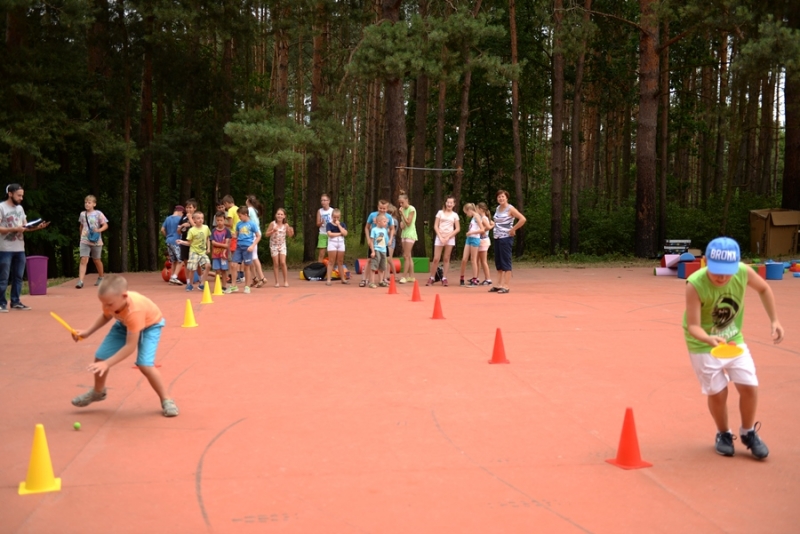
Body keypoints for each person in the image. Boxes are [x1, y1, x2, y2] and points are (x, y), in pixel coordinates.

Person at [684, 237, 784, 459]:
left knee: (749, 385)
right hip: (702, 344)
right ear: (705, 261)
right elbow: (693, 326)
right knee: (718, 392)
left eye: (727, 272)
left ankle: (748, 433)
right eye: (716, 271)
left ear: (736, 265)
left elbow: (764, 288)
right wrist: (709, 339)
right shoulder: (695, 284)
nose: (722, 277)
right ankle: (723, 434)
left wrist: (774, 320)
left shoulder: (743, 272)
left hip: (732, 339)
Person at [70, 274, 179, 417]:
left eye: (109, 304)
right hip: (124, 324)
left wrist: (107, 364)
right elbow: (106, 315)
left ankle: (166, 399)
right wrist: (87, 332)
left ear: (124, 296)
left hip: (150, 326)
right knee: (100, 356)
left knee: (145, 365)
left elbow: (130, 347)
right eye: (103, 304)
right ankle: (98, 392)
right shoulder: (111, 301)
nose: (106, 307)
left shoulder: (134, 311)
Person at [0, 183, 50, 312]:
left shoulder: (20, 209)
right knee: (4, 277)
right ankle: (1, 303)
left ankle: (16, 301)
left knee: (18, 277)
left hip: (19, 248)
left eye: (22, 196)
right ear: (10, 194)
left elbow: (24, 227)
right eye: (19, 195)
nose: (21, 198)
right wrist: (14, 229)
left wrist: (36, 227)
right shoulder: (1, 207)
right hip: (5, 249)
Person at [491, 190, 526, 294]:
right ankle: (498, 284)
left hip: (506, 238)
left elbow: (522, 219)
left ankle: (506, 286)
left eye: (502, 196)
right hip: (497, 237)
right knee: (498, 262)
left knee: (505, 261)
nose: (501, 198)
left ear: (506, 198)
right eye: (499, 197)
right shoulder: (498, 208)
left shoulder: (510, 209)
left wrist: (513, 229)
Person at [426, 196, 460, 287]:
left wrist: (448, 237)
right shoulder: (440, 213)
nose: (449, 204)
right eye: (448, 202)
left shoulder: (455, 215)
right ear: (445, 203)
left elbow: (457, 228)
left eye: (451, 203)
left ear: (454, 204)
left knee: (446, 258)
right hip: (440, 237)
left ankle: (444, 278)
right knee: (436, 258)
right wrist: (440, 237)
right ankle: (432, 277)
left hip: (450, 238)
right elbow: (435, 226)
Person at [76, 195, 109, 289]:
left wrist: (99, 230)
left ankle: (101, 277)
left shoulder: (98, 213)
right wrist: (81, 236)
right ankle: (80, 281)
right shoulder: (82, 214)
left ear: (94, 204)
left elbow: (105, 225)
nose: (87, 204)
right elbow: (81, 226)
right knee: (83, 259)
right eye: (86, 202)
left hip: (96, 240)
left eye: (89, 202)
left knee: (96, 260)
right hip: (84, 240)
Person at [360, 200, 395, 287]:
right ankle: (364, 279)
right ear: (377, 207)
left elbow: (392, 229)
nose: (382, 210)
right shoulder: (372, 215)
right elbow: (367, 227)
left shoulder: (389, 217)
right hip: (374, 243)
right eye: (380, 208)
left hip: (383, 243)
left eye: (384, 208)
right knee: (369, 260)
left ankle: (382, 280)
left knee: (383, 260)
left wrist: (390, 239)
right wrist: (368, 239)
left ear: (387, 208)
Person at [177, 211, 211, 292]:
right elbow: (189, 243)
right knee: (192, 269)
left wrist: (208, 248)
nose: (200, 220)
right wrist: (182, 242)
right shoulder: (191, 230)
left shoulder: (206, 228)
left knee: (208, 265)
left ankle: (202, 284)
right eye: (198, 218)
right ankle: (190, 284)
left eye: (202, 218)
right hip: (194, 252)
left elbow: (207, 238)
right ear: (194, 220)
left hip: (202, 252)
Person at [234, 206, 261, 294]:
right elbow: (236, 235)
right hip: (239, 246)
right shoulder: (239, 224)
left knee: (247, 267)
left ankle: (247, 286)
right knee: (234, 265)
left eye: (240, 216)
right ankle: (233, 286)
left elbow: (258, 236)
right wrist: (233, 235)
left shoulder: (252, 224)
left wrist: (252, 246)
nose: (239, 217)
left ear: (245, 214)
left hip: (248, 247)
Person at [265, 208, 293, 287]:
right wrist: (272, 231)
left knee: (283, 262)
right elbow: (266, 234)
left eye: (281, 214)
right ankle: (277, 282)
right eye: (278, 214)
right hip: (273, 245)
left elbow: (290, 235)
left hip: (282, 245)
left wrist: (291, 231)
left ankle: (285, 281)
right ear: (275, 215)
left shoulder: (286, 225)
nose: (279, 216)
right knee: (276, 263)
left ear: (284, 216)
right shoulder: (272, 224)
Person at [458, 203, 482, 287]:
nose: (466, 214)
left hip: (475, 239)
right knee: (464, 259)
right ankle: (461, 277)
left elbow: (482, 229)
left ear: (469, 210)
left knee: (473, 259)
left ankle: (475, 279)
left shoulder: (477, 217)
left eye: (466, 212)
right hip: (469, 239)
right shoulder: (473, 218)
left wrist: (472, 232)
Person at [246, 195, 267, 288]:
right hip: (255, 234)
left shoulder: (249, 210)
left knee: (254, 257)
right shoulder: (255, 210)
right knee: (251, 257)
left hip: (253, 235)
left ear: (248, 201)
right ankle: (254, 278)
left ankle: (262, 278)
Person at [210, 211, 233, 293]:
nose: (219, 222)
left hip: (223, 255)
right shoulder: (213, 231)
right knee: (217, 271)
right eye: (218, 220)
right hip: (215, 254)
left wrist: (219, 244)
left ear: (224, 220)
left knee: (224, 271)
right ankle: (217, 287)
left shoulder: (227, 231)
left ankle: (224, 286)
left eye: (221, 220)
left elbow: (227, 244)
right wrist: (222, 244)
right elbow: (213, 242)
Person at [161, 205, 184, 285]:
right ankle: (174, 277)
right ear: (180, 211)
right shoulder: (180, 219)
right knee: (181, 260)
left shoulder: (168, 218)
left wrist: (167, 236)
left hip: (168, 241)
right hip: (176, 241)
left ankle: (171, 277)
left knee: (173, 261)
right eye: (182, 213)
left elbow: (162, 229)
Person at [397, 192, 417, 284]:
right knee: (408, 256)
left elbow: (409, 222)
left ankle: (404, 276)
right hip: (404, 233)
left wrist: (402, 214)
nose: (401, 204)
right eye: (400, 203)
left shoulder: (411, 209)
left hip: (410, 234)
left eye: (402, 202)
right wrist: (401, 224)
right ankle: (411, 276)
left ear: (407, 200)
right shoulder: (402, 210)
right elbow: (404, 224)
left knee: (405, 256)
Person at [176, 199, 197, 285]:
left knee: (195, 261)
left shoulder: (197, 217)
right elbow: (178, 231)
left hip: (194, 242)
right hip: (184, 240)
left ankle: (199, 278)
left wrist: (190, 219)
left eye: (190, 207)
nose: (188, 209)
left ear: (195, 208)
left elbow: (197, 228)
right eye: (187, 207)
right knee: (186, 261)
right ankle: (188, 280)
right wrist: (182, 226)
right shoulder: (183, 218)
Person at [325, 208, 349, 285]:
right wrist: (339, 234)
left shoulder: (342, 224)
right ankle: (329, 279)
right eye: (334, 217)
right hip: (332, 243)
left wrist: (338, 225)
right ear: (332, 216)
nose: (336, 219)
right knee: (331, 261)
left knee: (340, 262)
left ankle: (343, 279)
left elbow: (345, 233)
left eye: (337, 217)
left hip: (341, 243)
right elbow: (330, 234)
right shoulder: (329, 224)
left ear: (340, 217)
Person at [222, 195, 242, 285]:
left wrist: (222, 223)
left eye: (224, 205)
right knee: (237, 256)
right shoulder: (237, 208)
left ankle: (233, 276)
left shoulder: (230, 210)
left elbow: (230, 224)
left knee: (231, 257)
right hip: (240, 235)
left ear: (226, 203)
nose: (225, 207)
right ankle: (238, 275)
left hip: (233, 234)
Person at [368, 214, 390, 289]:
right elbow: (371, 241)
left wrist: (388, 242)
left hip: (383, 250)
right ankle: (372, 282)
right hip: (376, 249)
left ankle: (381, 281)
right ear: (379, 222)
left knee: (382, 267)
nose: (386, 223)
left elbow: (386, 240)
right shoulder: (374, 230)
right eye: (384, 221)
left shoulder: (385, 230)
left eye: (386, 221)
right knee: (374, 266)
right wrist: (373, 251)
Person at [477, 202, 494, 285]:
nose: (476, 210)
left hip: (483, 241)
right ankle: (476, 277)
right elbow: (492, 223)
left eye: (477, 209)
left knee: (483, 261)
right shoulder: (483, 217)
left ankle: (488, 279)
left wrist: (482, 230)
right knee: (478, 260)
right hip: (481, 240)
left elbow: (488, 227)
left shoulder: (483, 218)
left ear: (481, 209)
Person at [316, 194, 334, 262]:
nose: (323, 202)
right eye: (321, 200)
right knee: (321, 253)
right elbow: (317, 224)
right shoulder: (320, 211)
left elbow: (336, 221)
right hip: (322, 234)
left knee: (331, 253)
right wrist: (321, 223)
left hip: (331, 234)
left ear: (328, 201)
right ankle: (319, 267)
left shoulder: (332, 210)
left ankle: (331, 267)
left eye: (324, 200)